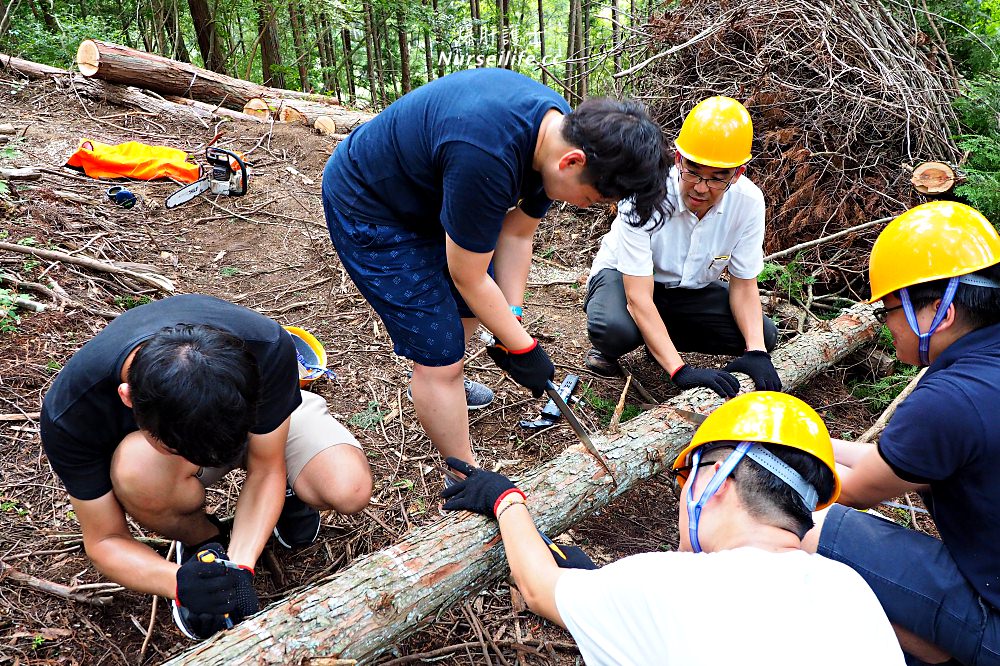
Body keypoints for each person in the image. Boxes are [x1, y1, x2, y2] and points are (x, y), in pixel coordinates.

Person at [322, 68, 669, 469]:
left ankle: (449, 384)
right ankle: (464, 473)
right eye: (591, 198)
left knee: (470, 310)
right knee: (440, 355)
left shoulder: (557, 135)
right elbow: (467, 274)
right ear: (573, 162)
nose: (587, 206)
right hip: (370, 206)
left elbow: (518, 234)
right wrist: (524, 347)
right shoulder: (487, 155)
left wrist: (512, 319)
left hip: (430, 197)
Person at [442, 392, 905, 665]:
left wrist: (505, 499)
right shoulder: (851, 589)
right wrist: (602, 586)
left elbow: (539, 588)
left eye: (686, 479)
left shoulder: (662, 583)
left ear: (714, 480)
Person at [39, 294, 372, 640]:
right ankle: (201, 540)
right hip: (167, 459)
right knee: (138, 467)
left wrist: (240, 566)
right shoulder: (72, 412)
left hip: (261, 428)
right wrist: (179, 583)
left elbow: (265, 466)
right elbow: (105, 539)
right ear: (127, 397)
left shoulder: (265, 346)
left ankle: (287, 493)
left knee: (348, 488)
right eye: (177, 448)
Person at [802, 201, 1000, 665]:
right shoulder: (984, 373)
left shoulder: (951, 399)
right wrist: (806, 437)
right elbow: (893, 464)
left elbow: (851, 490)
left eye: (889, 309)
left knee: (800, 526)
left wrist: (754, 448)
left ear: (941, 311)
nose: (885, 325)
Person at [584, 96, 780, 398]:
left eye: (718, 178)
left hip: (686, 293)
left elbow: (743, 285)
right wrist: (680, 370)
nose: (701, 187)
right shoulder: (645, 192)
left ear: (738, 173)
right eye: (693, 171)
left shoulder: (749, 203)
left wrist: (756, 352)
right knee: (614, 330)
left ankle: (657, 343)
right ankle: (633, 346)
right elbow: (637, 297)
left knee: (764, 334)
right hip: (625, 282)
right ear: (678, 158)